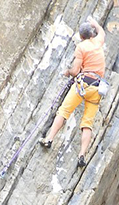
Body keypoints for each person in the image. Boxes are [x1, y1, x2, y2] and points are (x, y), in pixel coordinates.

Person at [39, 16, 106, 167]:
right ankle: (82, 155)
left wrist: (67, 72)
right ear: (92, 34)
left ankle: (49, 139)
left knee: (64, 111)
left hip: (83, 85)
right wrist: (93, 22)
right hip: (97, 87)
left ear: (81, 37)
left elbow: (76, 70)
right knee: (87, 123)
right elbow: (101, 30)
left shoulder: (81, 47)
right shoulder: (99, 41)